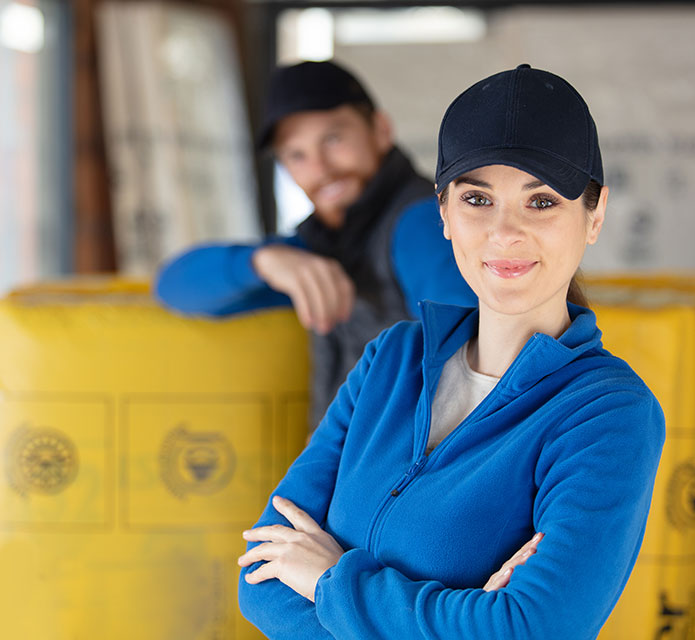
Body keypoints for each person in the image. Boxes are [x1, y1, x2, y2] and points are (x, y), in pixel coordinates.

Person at [236, 64, 666, 639]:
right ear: (443, 212)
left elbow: (531, 629)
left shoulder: (607, 414)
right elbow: (260, 580)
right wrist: (458, 619)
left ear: (595, 214)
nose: (505, 232)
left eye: (540, 202)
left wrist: (328, 580)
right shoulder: (389, 361)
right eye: (477, 198)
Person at [154, 60, 475, 428]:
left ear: (381, 130)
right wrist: (264, 263)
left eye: (333, 139)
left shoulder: (421, 224)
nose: (320, 168)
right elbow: (172, 286)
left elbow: (467, 360)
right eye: (296, 155)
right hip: (353, 475)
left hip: (409, 474)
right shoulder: (316, 246)